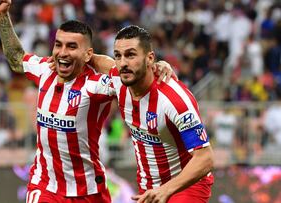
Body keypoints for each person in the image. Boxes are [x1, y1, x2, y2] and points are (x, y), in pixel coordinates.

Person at [0, 1, 175, 202]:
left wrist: (152, 67)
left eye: (71, 46)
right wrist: (2, 15)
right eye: (58, 45)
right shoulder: (44, 69)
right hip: (45, 186)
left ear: (88, 54)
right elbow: (17, 59)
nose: (62, 52)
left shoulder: (96, 86)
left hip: (88, 191)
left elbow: (128, 74)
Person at [90, 25, 214, 203]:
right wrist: (75, 55)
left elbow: (205, 158)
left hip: (186, 186)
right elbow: (100, 62)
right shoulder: (119, 80)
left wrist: (166, 190)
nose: (123, 63)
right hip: (148, 188)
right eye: (118, 55)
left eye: (131, 55)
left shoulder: (173, 100)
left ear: (150, 58)